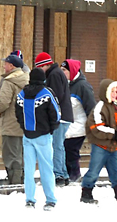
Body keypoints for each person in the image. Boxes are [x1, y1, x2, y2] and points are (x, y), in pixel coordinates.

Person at [14, 67, 59, 210]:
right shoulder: (46, 93)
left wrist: (24, 127)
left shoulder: (21, 94)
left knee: (28, 169)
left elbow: (18, 114)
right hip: (43, 136)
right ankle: (50, 200)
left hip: (27, 135)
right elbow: (56, 114)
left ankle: (30, 200)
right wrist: (51, 128)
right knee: (46, 169)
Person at [80, 79, 117, 207]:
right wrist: (114, 133)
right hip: (100, 146)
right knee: (94, 171)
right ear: (106, 92)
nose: (115, 94)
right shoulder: (100, 107)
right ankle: (86, 193)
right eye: (112, 91)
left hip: (114, 146)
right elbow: (97, 126)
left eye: (116, 91)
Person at [34, 52, 73, 186]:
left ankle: (58, 174)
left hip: (60, 116)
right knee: (59, 145)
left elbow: (55, 96)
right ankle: (63, 173)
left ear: (45, 65)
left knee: (56, 145)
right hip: (64, 115)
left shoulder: (54, 75)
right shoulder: (56, 73)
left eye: (39, 67)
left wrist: (50, 114)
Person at [0, 54, 27, 184]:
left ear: (11, 66)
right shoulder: (26, 78)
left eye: (5, 63)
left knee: (11, 155)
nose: (3, 66)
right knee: (21, 154)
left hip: (10, 123)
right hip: (24, 124)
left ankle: (14, 182)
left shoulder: (9, 81)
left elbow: (3, 102)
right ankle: (23, 181)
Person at [61, 59, 95, 184]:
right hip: (67, 125)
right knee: (64, 151)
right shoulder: (65, 84)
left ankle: (75, 176)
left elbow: (91, 107)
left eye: (64, 70)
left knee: (71, 152)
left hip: (78, 126)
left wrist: (93, 127)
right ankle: (69, 176)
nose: (62, 72)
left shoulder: (83, 86)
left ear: (72, 71)